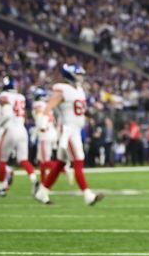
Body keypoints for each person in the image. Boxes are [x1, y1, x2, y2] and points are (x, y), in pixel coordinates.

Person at [33, 64, 104, 206]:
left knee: (60, 163)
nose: (80, 77)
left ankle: (42, 191)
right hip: (67, 130)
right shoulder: (62, 89)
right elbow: (49, 107)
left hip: (75, 129)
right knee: (78, 160)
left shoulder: (78, 90)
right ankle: (88, 195)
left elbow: (79, 109)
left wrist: (90, 114)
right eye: (78, 74)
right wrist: (43, 122)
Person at [0, 76, 37, 196]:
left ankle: (1, 187)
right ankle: (35, 180)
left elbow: (8, 115)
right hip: (22, 129)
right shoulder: (21, 97)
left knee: (1, 160)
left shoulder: (4, 95)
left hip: (10, 129)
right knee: (24, 160)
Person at [30, 87, 56, 184]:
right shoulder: (46, 104)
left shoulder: (38, 104)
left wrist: (41, 127)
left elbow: (40, 118)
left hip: (45, 134)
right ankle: (44, 182)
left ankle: (63, 169)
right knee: (42, 161)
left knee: (45, 161)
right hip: (50, 132)